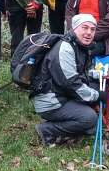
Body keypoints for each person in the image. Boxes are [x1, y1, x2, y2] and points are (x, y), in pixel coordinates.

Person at [31, 14, 101, 146]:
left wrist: (100, 75)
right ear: (74, 28)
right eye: (84, 28)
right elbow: (71, 84)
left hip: (61, 94)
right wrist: (96, 95)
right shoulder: (65, 49)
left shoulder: (80, 46)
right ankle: (46, 130)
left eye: (92, 29)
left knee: (90, 126)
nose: (89, 33)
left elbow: (83, 72)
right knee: (89, 119)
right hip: (50, 100)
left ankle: (74, 127)